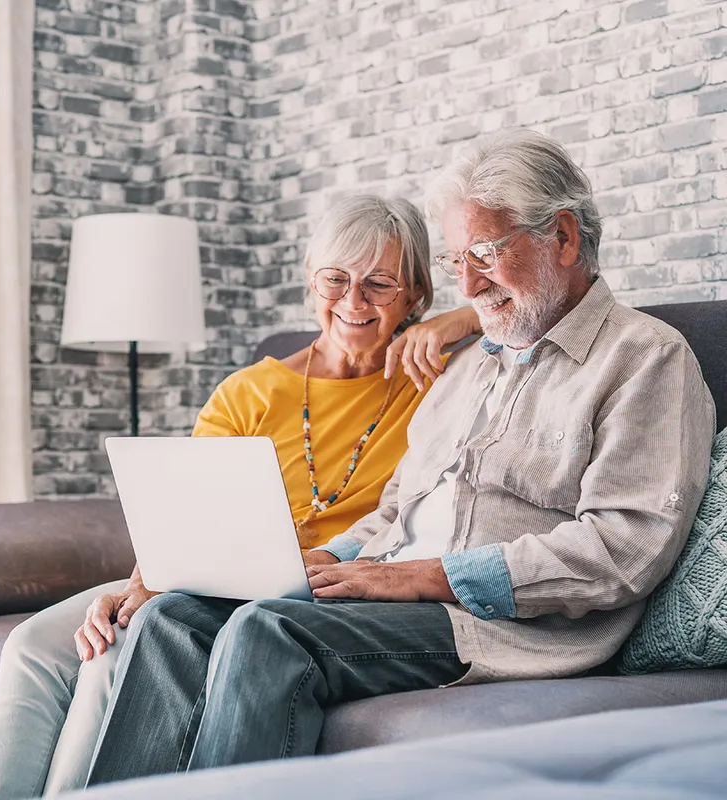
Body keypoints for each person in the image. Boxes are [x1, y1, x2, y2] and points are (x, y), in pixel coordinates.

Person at [83, 128, 715, 788]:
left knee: (269, 631)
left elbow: (623, 550)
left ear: (563, 237)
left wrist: (426, 576)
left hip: (494, 624)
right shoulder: (468, 370)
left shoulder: (646, 359)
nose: (468, 285)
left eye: (485, 255)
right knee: (171, 617)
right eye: (455, 263)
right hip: (394, 592)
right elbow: (393, 513)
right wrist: (336, 559)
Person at [0, 195, 481, 800]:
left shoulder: (442, 378)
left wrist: (462, 317)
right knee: (35, 645)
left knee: (111, 658)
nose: (353, 302)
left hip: (323, 588)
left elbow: (526, 319)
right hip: (212, 577)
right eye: (335, 280)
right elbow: (180, 517)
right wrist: (138, 586)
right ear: (312, 282)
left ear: (415, 294)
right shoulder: (249, 391)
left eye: (379, 284)